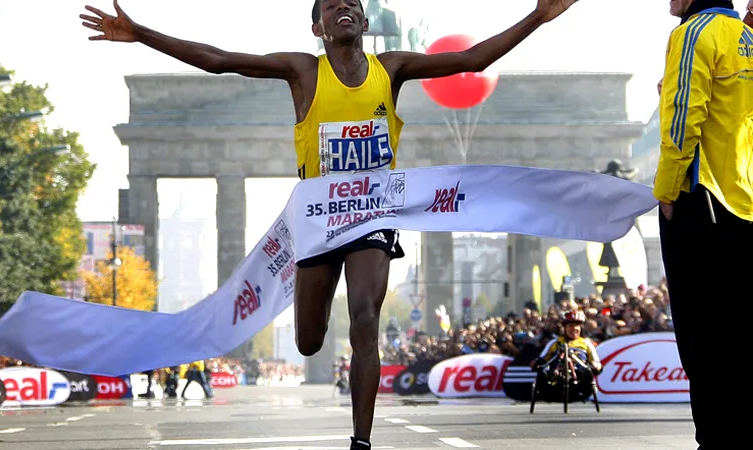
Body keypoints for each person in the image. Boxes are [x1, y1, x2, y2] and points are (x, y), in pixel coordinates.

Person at [80, 1, 582, 448]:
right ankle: (309, 311)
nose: (342, 8)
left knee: (365, 315)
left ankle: (360, 442)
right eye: (330, 6)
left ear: (363, 21)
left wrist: (538, 14)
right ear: (317, 27)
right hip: (318, 217)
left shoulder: (393, 67)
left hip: (371, 214)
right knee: (308, 341)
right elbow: (220, 60)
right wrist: (141, 32)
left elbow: (472, 62)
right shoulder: (302, 71)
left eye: (351, 4)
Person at [656, 1, 753, 448]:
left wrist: (668, 189)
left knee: (703, 338)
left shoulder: (693, 31)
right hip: (744, 201)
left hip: (704, 202)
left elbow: (682, 117)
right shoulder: (746, 37)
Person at [530, 310, 602, 382]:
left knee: (588, 373)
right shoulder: (554, 343)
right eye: (571, 326)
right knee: (542, 374)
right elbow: (542, 359)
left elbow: (595, 361)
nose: (574, 328)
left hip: (580, 379)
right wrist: (536, 363)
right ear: (564, 328)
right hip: (557, 378)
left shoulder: (586, 343)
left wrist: (597, 366)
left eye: (577, 325)